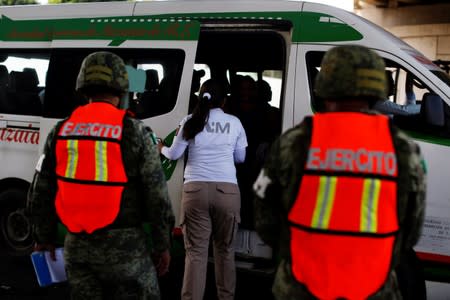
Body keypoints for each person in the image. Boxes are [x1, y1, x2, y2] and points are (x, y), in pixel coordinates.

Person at [253, 45, 426, 300]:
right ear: (378, 88)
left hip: (301, 288)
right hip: (374, 289)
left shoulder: (293, 143)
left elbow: (264, 217)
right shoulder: (404, 149)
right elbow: (411, 230)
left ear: (324, 85)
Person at [27, 51, 174, 300]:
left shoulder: (62, 130)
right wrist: (162, 244)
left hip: (77, 249)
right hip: (126, 250)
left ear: (83, 85)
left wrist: (44, 237)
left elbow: (41, 190)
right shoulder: (134, 132)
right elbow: (156, 194)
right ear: (121, 86)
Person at [158, 79, 247, 300]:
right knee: (225, 252)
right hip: (227, 192)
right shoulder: (234, 122)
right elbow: (241, 157)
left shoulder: (190, 121)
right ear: (224, 101)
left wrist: (160, 146)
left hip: (194, 191)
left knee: (196, 253)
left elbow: (173, 154)